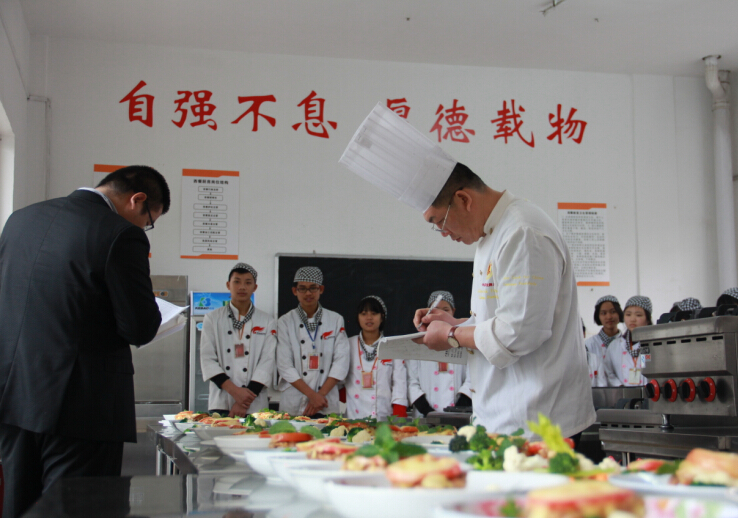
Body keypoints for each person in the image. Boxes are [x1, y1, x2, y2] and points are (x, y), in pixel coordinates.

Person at [340, 103, 595, 439]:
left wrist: (450, 335)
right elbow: (502, 318)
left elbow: (519, 333)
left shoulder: (522, 233)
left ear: (463, 199)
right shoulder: (490, 236)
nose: (444, 233)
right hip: (504, 418)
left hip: (540, 424)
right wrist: (457, 323)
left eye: (439, 222)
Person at [0, 165, 170, 518]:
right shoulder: (121, 234)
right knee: (80, 508)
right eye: (149, 220)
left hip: (15, 398)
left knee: (19, 505)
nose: (144, 228)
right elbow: (139, 328)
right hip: (82, 405)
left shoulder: (20, 220)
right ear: (137, 200)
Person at [200, 262, 277, 417]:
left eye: (248, 282)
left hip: (255, 404)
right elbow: (207, 359)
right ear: (228, 285)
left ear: (255, 287)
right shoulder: (212, 318)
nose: (242, 287)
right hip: (221, 401)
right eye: (237, 282)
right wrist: (235, 392)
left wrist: (243, 402)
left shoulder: (267, 321)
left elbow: (268, 361)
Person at [276, 267, 349, 417]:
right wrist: (312, 396)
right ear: (295, 291)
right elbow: (284, 365)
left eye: (313, 288)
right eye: (302, 288)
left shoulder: (335, 320)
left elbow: (341, 361)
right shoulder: (285, 322)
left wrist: (320, 396)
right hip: (294, 401)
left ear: (321, 289)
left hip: (325, 400)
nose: (308, 293)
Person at [407, 291, 472, 417]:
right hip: (424, 416)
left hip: (459, 416)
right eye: (436, 310)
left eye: (446, 310)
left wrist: (460, 407)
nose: (441, 314)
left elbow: (472, 378)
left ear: (453, 311)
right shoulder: (418, 343)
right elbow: (411, 381)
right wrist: (427, 411)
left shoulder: (464, 340)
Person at [344, 295, 408, 418]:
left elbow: (399, 383)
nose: (369, 318)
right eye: (364, 314)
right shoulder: (347, 344)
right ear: (358, 317)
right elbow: (339, 377)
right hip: (354, 416)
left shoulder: (393, 346)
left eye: (374, 313)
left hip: (384, 416)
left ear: (382, 317)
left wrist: (398, 413)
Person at [604, 296, 652, 387]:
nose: (632, 319)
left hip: (649, 393)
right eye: (628, 314)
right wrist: (620, 387)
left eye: (638, 315)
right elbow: (608, 372)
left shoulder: (654, 345)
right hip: (623, 393)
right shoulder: (615, 345)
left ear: (648, 319)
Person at [584, 295, 622, 387]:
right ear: (598, 316)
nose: (609, 316)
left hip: (624, 392)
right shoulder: (589, 345)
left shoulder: (627, 344)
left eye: (613, 312)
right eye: (603, 313)